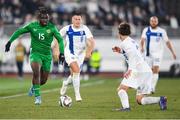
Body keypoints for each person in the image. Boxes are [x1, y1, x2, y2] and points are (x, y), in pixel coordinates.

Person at [5, 7, 65, 105]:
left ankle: (34, 87)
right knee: (36, 73)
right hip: (35, 54)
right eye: (43, 18)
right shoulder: (32, 26)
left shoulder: (51, 27)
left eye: (46, 18)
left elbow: (60, 40)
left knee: (44, 80)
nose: (45, 20)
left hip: (47, 55)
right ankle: (38, 98)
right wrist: (9, 41)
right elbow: (19, 31)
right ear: (39, 19)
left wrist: (61, 53)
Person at [112, 22, 167, 111]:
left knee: (121, 89)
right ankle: (160, 99)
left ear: (119, 33)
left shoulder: (125, 43)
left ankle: (126, 108)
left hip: (137, 70)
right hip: (145, 71)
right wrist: (121, 51)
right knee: (140, 100)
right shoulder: (130, 40)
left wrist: (129, 70)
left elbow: (132, 54)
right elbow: (133, 52)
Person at [59, 12, 95, 102]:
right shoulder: (67, 28)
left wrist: (89, 51)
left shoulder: (85, 28)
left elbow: (92, 41)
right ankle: (77, 94)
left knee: (74, 74)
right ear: (72, 20)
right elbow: (57, 37)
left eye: (79, 19)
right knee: (76, 71)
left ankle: (66, 83)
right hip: (69, 53)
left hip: (81, 54)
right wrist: (57, 49)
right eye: (76, 19)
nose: (78, 21)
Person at [140, 16, 176, 93]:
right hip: (148, 54)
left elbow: (167, 42)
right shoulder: (146, 30)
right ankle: (146, 86)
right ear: (150, 22)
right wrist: (142, 47)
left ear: (157, 22)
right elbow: (142, 40)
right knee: (148, 71)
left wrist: (173, 52)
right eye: (152, 21)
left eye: (155, 21)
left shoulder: (162, 31)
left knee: (155, 70)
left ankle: (152, 88)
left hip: (158, 54)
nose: (153, 22)